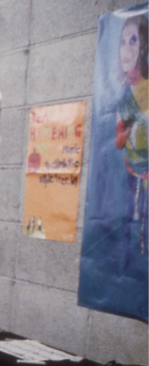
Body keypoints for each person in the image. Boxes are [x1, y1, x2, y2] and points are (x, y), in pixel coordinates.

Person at [115, 14, 148, 250]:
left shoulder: (145, 88)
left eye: (133, 40)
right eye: (123, 41)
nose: (126, 49)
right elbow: (118, 143)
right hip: (131, 176)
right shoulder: (122, 92)